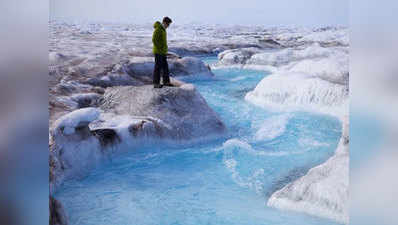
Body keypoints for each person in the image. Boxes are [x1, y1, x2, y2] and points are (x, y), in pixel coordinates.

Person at [152, 17, 173, 88]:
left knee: (165, 67)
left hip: (163, 52)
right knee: (158, 67)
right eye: (168, 24)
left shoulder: (163, 29)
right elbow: (154, 39)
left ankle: (166, 82)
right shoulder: (158, 29)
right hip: (158, 52)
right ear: (164, 22)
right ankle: (156, 83)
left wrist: (164, 49)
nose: (168, 26)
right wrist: (160, 47)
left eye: (169, 24)